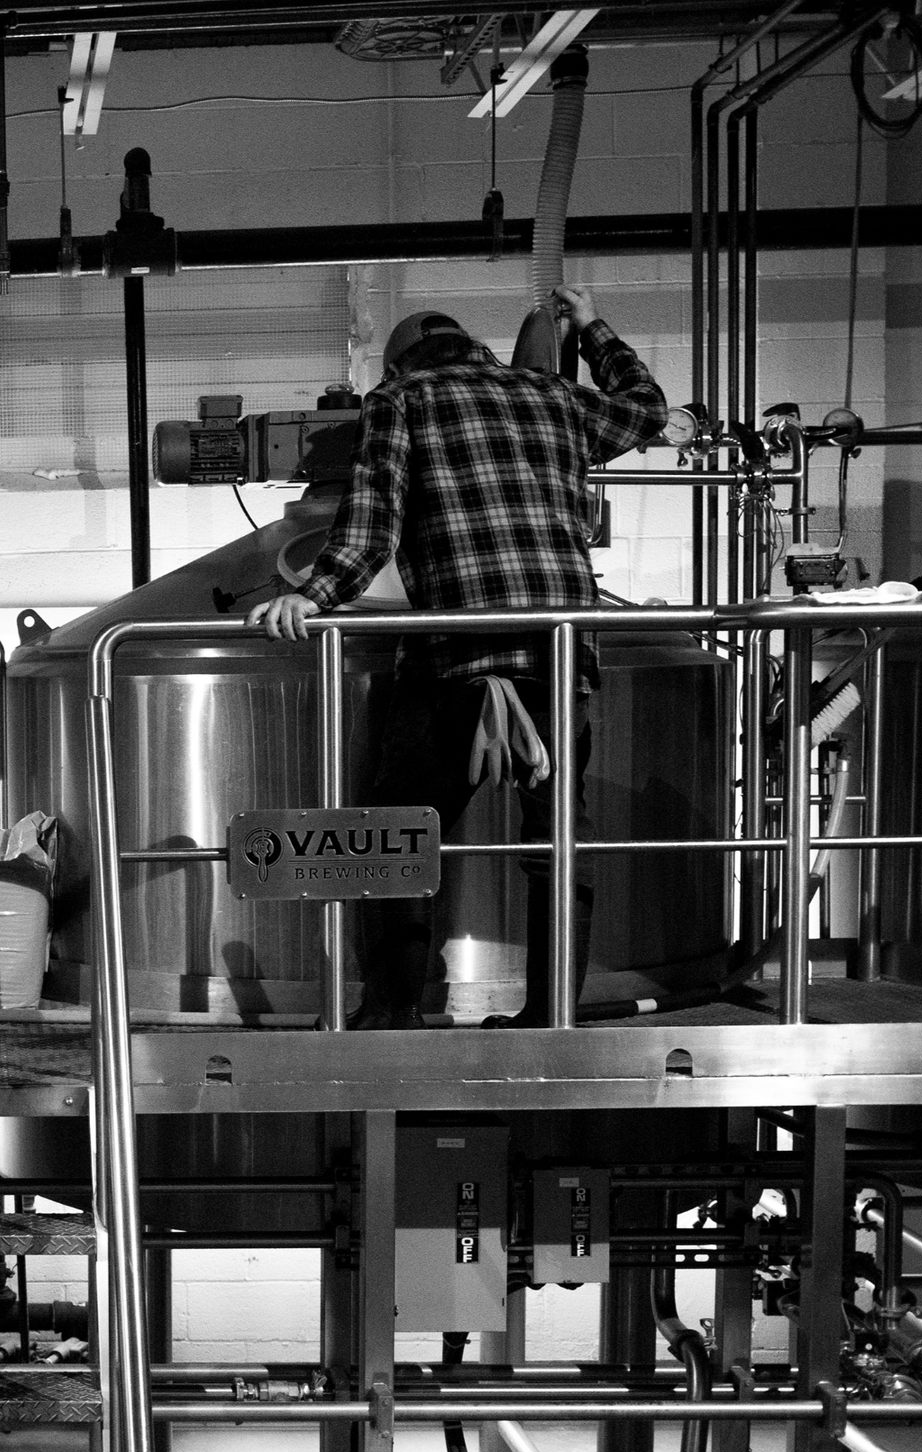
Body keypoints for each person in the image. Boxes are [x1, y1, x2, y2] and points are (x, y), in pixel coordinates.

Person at [245, 284, 667, 1029]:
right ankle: (551, 1018)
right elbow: (647, 410)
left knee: (397, 839)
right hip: (560, 649)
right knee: (558, 845)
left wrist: (314, 596)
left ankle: (394, 1011)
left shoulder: (403, 401)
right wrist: (593, 325)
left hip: (457, 654)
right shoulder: (552, 395)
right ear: (471, 347)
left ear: (399, 365)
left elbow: (372, 522)